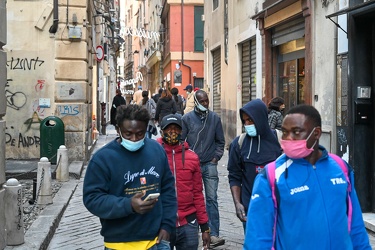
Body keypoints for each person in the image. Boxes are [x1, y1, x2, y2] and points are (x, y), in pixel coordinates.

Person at [244, 104, 371, 250]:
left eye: (296, 132)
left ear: (316, 133)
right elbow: (257, 237)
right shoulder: (271, 175)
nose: (288, 139)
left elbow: (355, 225)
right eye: (285, 132)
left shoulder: (340, 168)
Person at [83, 104, 177, 250]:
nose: (134, 139)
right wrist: (129, 205)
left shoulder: (157, 151)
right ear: (118, 130)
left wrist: (167, 225)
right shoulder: (102, 159)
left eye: (140, 134)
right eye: (128, 134)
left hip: (156, 242)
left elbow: (168, 190)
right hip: (118, 243)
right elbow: (92, 199)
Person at [157, 114, 211, 250]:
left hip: (189, 223)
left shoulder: (192, 157)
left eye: (176, 129)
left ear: (181, 131)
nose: (172, 132)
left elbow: (198, 193)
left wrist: (205, 227)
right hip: (162, 223)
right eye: (169, 129)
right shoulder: (154, 154)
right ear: (162, 131)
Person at [227, 99, 281, 232]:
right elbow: (234, 176)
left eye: (250, 120)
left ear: (261, 118)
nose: (247, 124)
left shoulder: (279, 140)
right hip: (250, 208)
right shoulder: (239, 143)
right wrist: (237, 203)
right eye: (244, 121)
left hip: (277, 209)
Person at [181, 89, 226, 248]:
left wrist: (216, 158)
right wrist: (187, 160)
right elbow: (182, 142)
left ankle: (214, 234)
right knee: (193, 198)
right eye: (203, 101)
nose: (206, 103)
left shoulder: (214, 118)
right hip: (192, 166)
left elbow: (221, 141)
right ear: (197, 102)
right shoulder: (186, 119)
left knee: (212, 198)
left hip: (210, 164)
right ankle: (196, 231)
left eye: (207, 100)